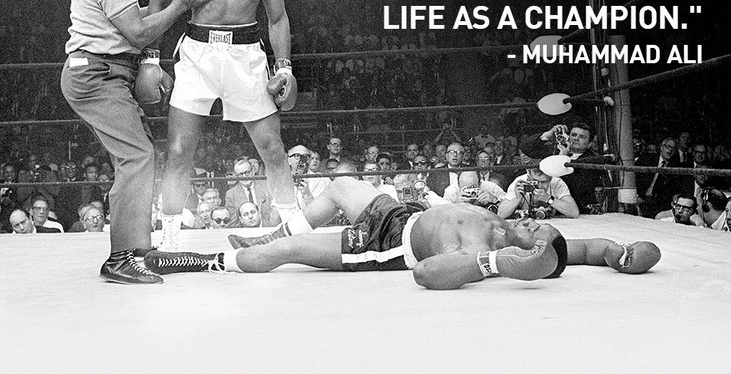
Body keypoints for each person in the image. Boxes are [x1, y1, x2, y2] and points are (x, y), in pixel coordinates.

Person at [60, 0, 217, 284]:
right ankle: (120, 258)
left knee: (140, 153)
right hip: (95, 75)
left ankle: (137, 250)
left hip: (103, 72)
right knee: (137, 156)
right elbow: (139, 33)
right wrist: (182, 3)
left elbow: (131, 19)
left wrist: (171, 3)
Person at [146, 176, 661, 288]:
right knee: (341, 185)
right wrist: (624, 253)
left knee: (288, 252)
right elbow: (590, 249)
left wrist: (498, 264)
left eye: (534, 229)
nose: (528, 219)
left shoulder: (481, 250)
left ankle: (200, 261)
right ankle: (265, 235)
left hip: (384, 244)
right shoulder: (511, 225)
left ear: (532, 251)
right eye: (534, 218)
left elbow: (428, 275)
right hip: (398, 212)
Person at [147, 0, 299, 252]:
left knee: (272, 149)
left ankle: (295, 232)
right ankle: (169, 238)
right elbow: (158, 2)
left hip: (246, 56)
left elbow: (277, 18)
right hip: (197, 54)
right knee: (179, 151)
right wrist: (151, 59)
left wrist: (285, 68)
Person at [499, 166, 580, 220]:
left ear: (551, 179)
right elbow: (501, 214)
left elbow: (574, 212)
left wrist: (548, 199)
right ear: (529, 178)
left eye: (544, 182)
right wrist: (517, 199)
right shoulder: (520, 182)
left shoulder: (557, 183)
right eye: (535, 181)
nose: (539, 186)